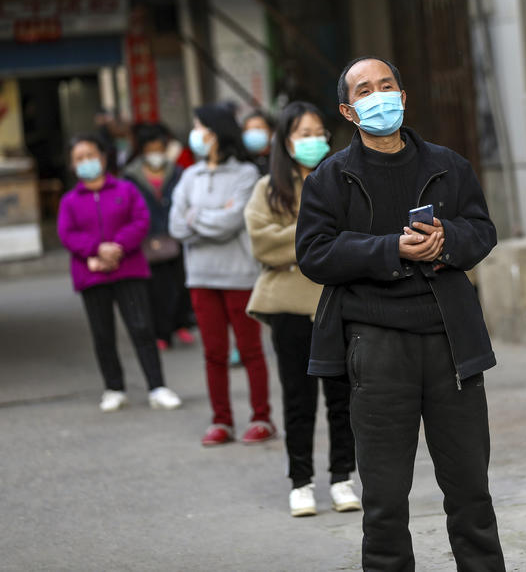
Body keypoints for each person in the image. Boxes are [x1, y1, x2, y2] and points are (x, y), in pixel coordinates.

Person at [296, 57, 505, 571]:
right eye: (365, 90)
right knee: (386, 503)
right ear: (348, 110)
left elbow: (482, 230)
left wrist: (445, 240)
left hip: (451, 344)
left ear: (404, 97)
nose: (379, 96)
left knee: (471, 494)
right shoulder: (331, 178)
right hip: (376, 345)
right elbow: (314, 253)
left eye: (386, 85)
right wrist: (391, 249)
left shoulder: (448, 165)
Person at [245, 101, 360, 518]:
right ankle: (301, 481)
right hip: (288, 306)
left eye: (317, 133)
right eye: (302, 134)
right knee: (298, 398)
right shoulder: (267, 188)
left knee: (342, 396)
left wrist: (301, 241)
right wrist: (318, 234)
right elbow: (262, 243)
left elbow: (357, 235)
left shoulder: (342, 178)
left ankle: (343, 476)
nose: (312, 141)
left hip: (337, 301)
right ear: (285, 140)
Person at [169, 104, 275, 447]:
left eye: (201, 128)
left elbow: (233, 222)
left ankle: (262, 417)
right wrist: (213, 217)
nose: (196, 135)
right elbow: (174, 225)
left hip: (238, 275)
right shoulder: (188, 176)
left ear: (217, 133)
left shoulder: (245, 174)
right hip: (200, 276)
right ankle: (222, 421)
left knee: (250, 351)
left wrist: (195, 218)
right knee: (213, 353)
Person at [57, 134, 182, 413]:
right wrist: (96, 249)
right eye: (79, 158)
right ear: (72, 165)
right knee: (103, 334)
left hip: (129, 269)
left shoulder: (126, 189)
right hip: (91, 274)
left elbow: (141, 220)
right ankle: (114, 388)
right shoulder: (70, 201)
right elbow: (67, 233)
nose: (86, 162)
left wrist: (118, 247)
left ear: (103, 158)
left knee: (142, 328)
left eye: (90, 155)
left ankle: (157, 386)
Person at [123, 122, 196, 351]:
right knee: (155, 289)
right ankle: (161, 333)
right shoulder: (131, 176)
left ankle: (179, 325)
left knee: (179, 285)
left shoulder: (176, 171)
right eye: (151, 149)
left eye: (159, 148)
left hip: (175, 235)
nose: (155, 154)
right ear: (142, 150)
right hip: (147, 239)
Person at [241, 111, 273, 175]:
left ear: (270, 131)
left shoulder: (279, 159)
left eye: (257, 128)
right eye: (248, 129)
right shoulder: (242, 161)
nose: (252, 133)